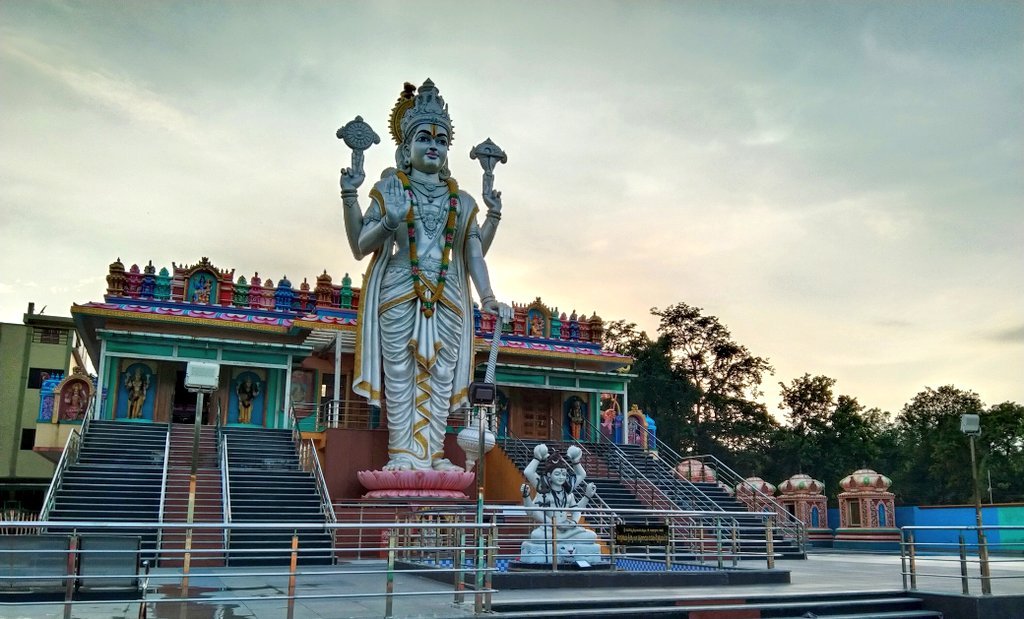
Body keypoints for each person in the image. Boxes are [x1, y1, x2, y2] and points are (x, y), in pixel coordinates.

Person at [340, 79, 510, 472]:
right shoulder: (390, 187)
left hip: (449, 294)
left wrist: (487, 297)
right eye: (423, 138)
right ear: (405, 148)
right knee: (401, 372)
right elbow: (360, 245)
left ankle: (433, 455)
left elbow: (473, 253)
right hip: (400, 288)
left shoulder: (463, 201)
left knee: (441, 374)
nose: (433, 145)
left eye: (441, 140)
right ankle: (402, 454)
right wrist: (362, 204)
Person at [520, 444, 598, 542]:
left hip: (567, 527)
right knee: (537, 535)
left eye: (564, 474)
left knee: (592, 536)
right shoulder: (543, 490)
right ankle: (563, 538)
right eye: (557, 474)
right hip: (549, 528)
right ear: (549, 475)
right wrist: (537, 458)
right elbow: (531, 512)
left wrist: (573, 522)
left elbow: (576, 510)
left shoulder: (568, 491)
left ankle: (562, 538)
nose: (561, 477)